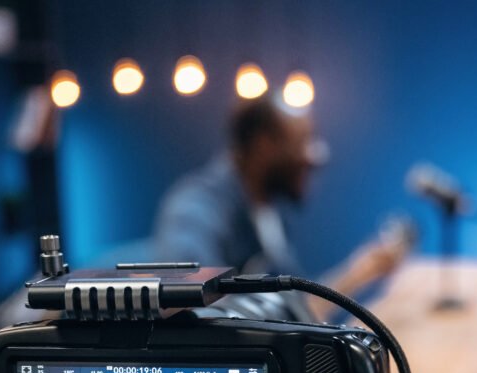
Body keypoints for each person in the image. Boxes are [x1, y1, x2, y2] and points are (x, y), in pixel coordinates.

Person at [153, 98, 411, 320]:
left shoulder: (269, 211)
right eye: (303, 141)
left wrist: (360, 271)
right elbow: (196, 309)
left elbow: (295, 304)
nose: (315, 156)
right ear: (264, 145)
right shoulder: (195, 209)